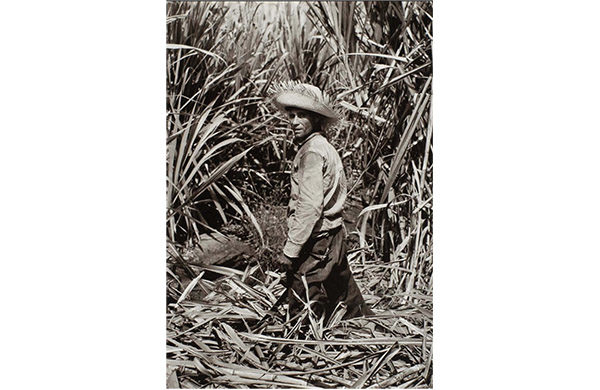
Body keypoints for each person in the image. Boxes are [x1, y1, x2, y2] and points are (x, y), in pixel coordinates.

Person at [269, 82, 373, 325]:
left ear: (316, 119)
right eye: (291, 116)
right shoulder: (322, 146)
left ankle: (300, 343)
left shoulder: (312, 152)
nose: (294, 122)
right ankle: (364, 326)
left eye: (302, 116)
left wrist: (291, 249)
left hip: (319, 237)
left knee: (304, 285)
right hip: (334, 234)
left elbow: (309, 206)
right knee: (342, 289)